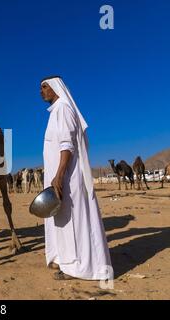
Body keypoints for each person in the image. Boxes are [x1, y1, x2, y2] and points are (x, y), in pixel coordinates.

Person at [40, 76, 112, 281]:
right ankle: (65, 260)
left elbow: (66, 145)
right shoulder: (56, 112)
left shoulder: (63, 108)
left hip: (67, 178)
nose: (41, 91)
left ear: (55, 88)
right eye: (40, 87)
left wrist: (60, 174)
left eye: (45, 87)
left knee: (74, 222)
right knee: (62, 219)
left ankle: (78, 267)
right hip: (62, 178)